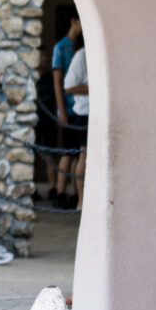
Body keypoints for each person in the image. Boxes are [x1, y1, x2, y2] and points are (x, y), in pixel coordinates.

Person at [51, 14, 84, 208]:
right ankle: (60, 192)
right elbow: (58, 80)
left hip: (79, 108)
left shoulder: (80, 46)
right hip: (69, 106)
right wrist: (61, 110)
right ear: (73, 21)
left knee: (76, 153)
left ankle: (73, 192)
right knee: (67, 153)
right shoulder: (60, 47)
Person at [63, 30, 89, 208]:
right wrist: (90, 89)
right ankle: (80, 200)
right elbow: (68, 86)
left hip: (93, 113)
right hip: (84, 113)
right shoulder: (81, 56)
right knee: (83, 155)